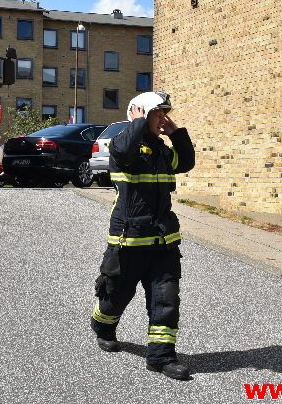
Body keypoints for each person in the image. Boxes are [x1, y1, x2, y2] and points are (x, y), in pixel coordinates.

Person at [90, 91, 195, 380]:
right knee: (117, 295)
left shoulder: (161, 151)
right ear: (140, 114)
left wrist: (176, 133)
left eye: (165, 115)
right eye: (158, 114)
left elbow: (185, 162)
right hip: (129, 241)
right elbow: (122, 151)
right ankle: (102, 325)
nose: (163, 120)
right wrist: (137, 122)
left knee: (166, 298)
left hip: (163, 241)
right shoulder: (125, 148)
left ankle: (161, 357)